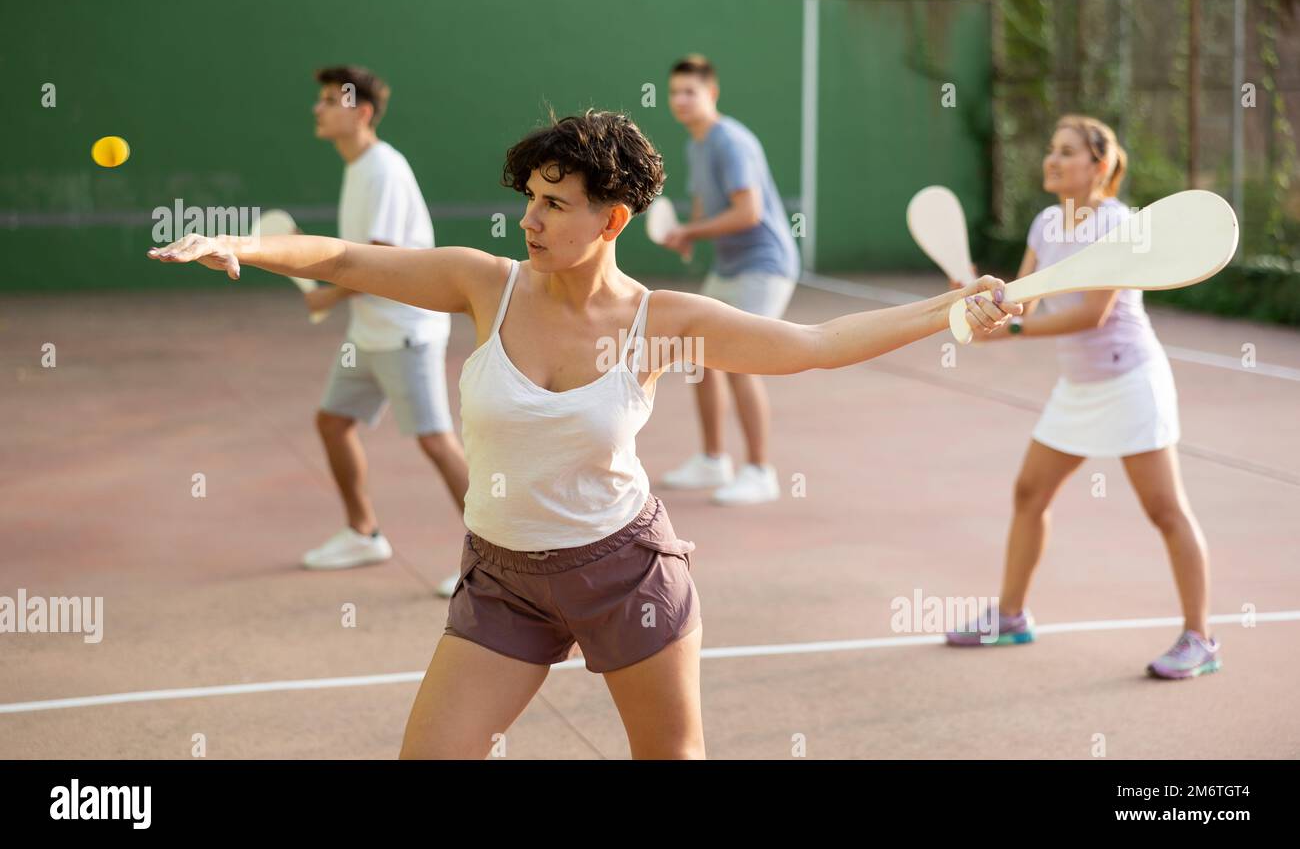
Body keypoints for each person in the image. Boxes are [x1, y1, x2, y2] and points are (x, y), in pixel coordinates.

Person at [148, 109, 1019, 758]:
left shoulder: (659, 321)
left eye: (556, 204)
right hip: (502, 581)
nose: (530, 219)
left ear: (612, 219)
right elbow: (343, 259)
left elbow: (817, 346)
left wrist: (949, 307)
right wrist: (244, 247)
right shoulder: (484, 286)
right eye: (530, 199)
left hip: (624, 575)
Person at [945, 115, 1219, 680]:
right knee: (1029, 493)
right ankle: (1011, 617)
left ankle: (1201, 638)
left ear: (1098, 166)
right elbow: (1026, 302)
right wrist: (988, 300)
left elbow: (1092, 315)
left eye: (1066, 152)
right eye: (1050, 149)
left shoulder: (1119, 224)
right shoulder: (1046, 222)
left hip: (1130, 381)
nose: (1052, 159)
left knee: (1165, 511)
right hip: (1078, 387)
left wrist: (1012, 329)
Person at [302, 65, 468, 594]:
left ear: (362, 113)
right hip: (369, 332)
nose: (318, 108)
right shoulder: (357, 167)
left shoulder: (383, 169)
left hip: (406, 331)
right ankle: (363, 533)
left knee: (437, 442)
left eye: (331, 100)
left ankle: (497, 561)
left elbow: (383, 258)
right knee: (332, 422)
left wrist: (328, 290)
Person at [655, 55, 802, 505]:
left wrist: (690, 231)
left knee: (739, 361)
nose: (681, 100)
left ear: (711, 94)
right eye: (675, 92)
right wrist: (688, 235)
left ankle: (761, 471)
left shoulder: (730, 141)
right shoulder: (695, 145)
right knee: (697, 356)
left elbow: (748, 212)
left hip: (765, 264)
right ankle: (713, 460)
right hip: (730, 266)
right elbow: (705, 210)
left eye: (690, 92)